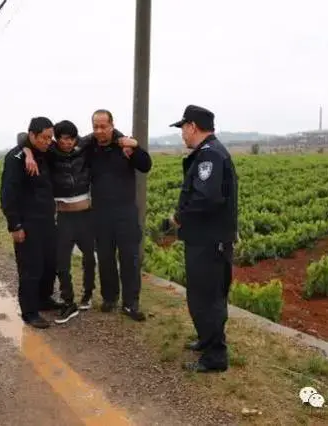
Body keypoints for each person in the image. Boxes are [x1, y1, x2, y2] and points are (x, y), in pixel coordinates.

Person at [168, 105, 238, 373]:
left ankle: (215, 356)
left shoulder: (210, 156)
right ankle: (207, 340)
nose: (182, 134)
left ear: (193, 127)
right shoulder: (210, 153)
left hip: (209, 241)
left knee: (207, 297)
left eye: (183, 128)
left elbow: (206, 198)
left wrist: (180, 216)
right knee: (202, 294)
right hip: (205, 239)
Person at [18, 120, 100, 324]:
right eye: (63, 139)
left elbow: (106, 133)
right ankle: (68, 300)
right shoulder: (50, 151)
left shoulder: (84, 145)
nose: (67, 144)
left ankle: (87, 295)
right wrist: (27, 153)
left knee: (89, 257)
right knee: (61, 261)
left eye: (71, 139)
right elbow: (23, 138)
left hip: (86, 215)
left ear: (76, 138)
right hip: (63, 216)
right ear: (57, 139)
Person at [83, 109, 152, 321]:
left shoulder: (125, 144)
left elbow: (145, 165)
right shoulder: (88, 146)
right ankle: (110, 298)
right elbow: (64, 146)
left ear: (112, 125)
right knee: (105, 257)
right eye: (95, 126)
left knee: (129, 259)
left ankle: (131, 303)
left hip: (125, 213)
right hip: (101, 213)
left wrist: (136, 147)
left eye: (103, 126)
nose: (99, 131)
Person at [0, 117, 61, 329]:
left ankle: (44, 299)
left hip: (46, 219)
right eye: (44, 137)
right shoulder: (15, 158)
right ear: (32, 135)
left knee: (49, 264)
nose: (48, 141)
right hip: (27, 223)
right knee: (30, 268)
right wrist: (14, 225)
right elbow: (8, 193)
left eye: (50, 137)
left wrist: (30, 150)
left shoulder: (45, 153)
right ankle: (29, 312)